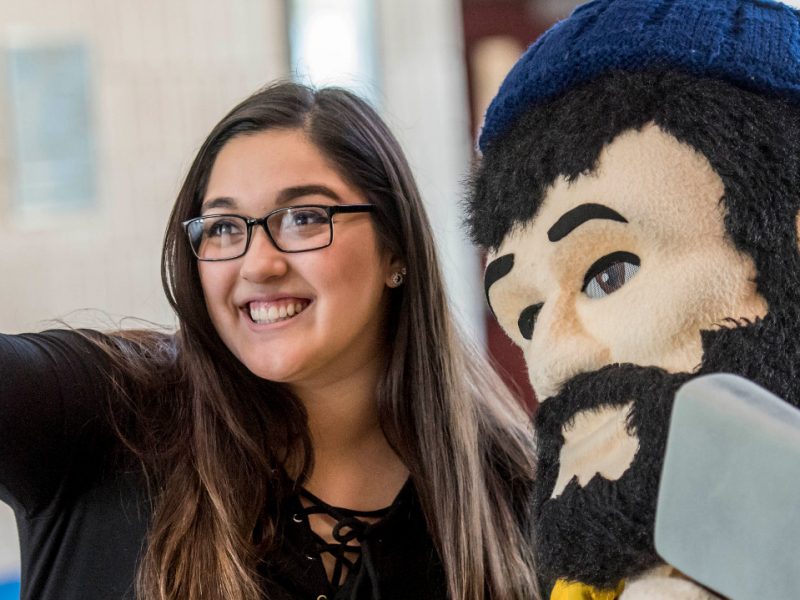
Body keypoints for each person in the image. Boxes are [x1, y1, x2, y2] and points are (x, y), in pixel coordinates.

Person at [0, 81, 539, 600]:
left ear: (396, 250)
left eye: (305, 218)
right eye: (224, 227)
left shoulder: (511, 493)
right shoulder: (108, 412)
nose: (258, 263)